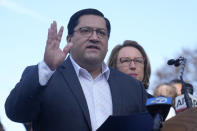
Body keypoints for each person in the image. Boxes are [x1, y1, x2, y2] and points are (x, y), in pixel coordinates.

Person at [5, 8, 147, 131]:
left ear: (107, 43)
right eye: (85, 31)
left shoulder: (133, 87)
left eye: (101, 33)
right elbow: (16, 112)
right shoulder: (45, 77)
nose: (94, 38)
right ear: (69, 39)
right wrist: (46, 68)